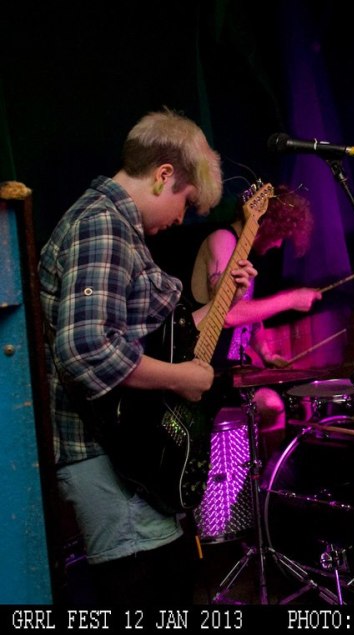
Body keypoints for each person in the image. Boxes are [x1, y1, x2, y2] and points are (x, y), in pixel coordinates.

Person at [39, 108, 256, 603]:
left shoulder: (117, 226)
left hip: (127, 455)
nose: (181, 218)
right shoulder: (102, 226)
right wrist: (181, 379)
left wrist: (223, 304)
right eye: (185, 201)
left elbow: (151, 338)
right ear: (163, 175)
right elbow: (87, 350)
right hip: (105, 455)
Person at [189, 183, 322, 455]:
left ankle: (260, 473)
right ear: (270, 224)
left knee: (291, 402)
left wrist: (265, 352)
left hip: (230, 372)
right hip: (203, 369)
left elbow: (248, 316)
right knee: (271, 405)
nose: (278, 244)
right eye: (281, 236)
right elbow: (226, 313)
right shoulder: (223, 239)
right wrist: (290, 299)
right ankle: (266, 474)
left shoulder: (243, 254)